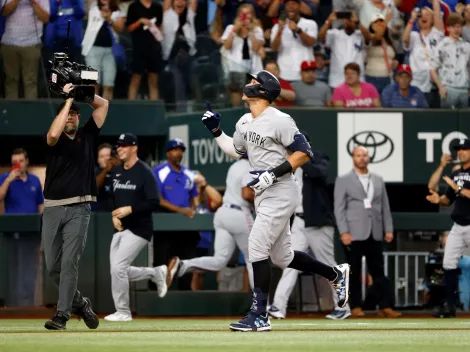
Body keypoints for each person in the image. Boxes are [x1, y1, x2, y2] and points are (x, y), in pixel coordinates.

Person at [172, 70, 350, 332]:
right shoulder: (245, 120)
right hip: (264, 193)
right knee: (282, 257)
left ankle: (259, 315)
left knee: (256, 246)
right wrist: (217, 132)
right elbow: (236, 150)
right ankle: (335, 274)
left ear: (263, 91)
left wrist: (272, 173)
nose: (248, 84)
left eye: (254, 82)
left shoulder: (280, 119)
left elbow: (304, 153)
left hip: (281, 190)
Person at [41, 83, 108, 330]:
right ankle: (81, 303)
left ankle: (62, 315)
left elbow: (103, 106)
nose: (71, 117)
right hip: (52, 208)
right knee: (52, 267)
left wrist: (81, 94)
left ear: (79, 117)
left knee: (69, 263)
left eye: (75, 114)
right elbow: (52, 136)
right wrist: (68, 101)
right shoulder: (55, 137)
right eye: (67, 113)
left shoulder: (87, 135)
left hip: (80, 208)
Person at [269, 144, 351, 320]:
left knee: (328, 264)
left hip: (318, 221)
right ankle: (278, 306)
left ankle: (343, 307)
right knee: (290, 262)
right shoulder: (287, 164)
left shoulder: (318, 157)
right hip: (298, 221)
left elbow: (318, 173)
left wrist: (301, 158)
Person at [105, 133, 168, 322]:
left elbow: (154, 202)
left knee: (118, 269)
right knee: (117, 271)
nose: (120, 149)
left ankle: (123, 312)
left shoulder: (144, 172)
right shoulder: (116, 171)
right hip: (120, 228)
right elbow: (112, 198)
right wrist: (113, 215)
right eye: (119, 146)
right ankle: (155, 273)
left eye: (124, 146)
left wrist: (130, 209)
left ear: (134, 148)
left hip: (140, 229)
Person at [170, 153, 255, 290]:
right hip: (240, 213)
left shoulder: (234, 166)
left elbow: (218, 201)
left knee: (219, 261)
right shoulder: (250, 166)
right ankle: (263, 306)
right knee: (255, 260)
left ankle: (182, 265)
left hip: (223, 214)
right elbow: (246, 194)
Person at [334, 146, 401, 318]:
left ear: (368, 157)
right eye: (359, 155)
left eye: (365, 155)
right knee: (353, 271)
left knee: (378, 271)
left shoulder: (378, 179)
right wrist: (343, 232)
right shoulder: (344, 179)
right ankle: (355, 306)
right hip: (353, 233)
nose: (362, 158)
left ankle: (385, 305)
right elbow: (339, 209)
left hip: (375, 231)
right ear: (353, 158)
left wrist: (389, 228)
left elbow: (385, 206)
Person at [426, 138, 470, 318]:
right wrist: (441, 166)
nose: (460, 152)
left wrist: (457, 188)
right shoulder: (456, 174)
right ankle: (450, 306)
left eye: (464, 149)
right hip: (458, 225)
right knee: (448, 264)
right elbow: (433, 188)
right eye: (458, 149)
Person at [152, 139, 200, 290]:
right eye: (174, 149)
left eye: (181, 150)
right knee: (161, 261)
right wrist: (182, 211)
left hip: (185, 225)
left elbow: (195, 196)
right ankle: (158, 296)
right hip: (165, 222)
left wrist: (193, 208)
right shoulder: (159, 171)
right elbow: (159, 200)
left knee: (186, 262)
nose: (178, 152)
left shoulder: (188, 173)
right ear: (167, 153)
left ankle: (185, 296)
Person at [0, 148, 44, 307]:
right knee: (13, 270)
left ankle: (28, 304)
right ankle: (13, 305)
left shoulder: (35, 180)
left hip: (32, 233)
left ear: (26, 161)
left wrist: (44, 230)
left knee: (30, 270)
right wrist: (9, 180)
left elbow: (41, 206)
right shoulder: (5, 178)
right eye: (13, 163)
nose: (17, 166)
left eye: (19, 162)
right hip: (11, 233)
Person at [81, 0, 126, 100]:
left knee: (109, 85)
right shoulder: (93, 6)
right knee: (93, 84)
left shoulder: (118, 10)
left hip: (110, 52)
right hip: (92, 50)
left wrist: (109, 19)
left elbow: (120, 29)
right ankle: (94, 112)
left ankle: (105, 112)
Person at [190, 171, 223, 290]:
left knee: (200, 274)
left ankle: (197, 300)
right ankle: (193, 301)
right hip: (191, 243)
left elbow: (219, 201)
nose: (196, 185)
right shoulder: (187, 199)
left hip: (205, 243)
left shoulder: (206, 201)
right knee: (195, 273)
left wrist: (204, 184)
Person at [430, 13, 470, 109]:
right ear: (448, 28)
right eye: (453, 26)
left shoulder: (467, 46)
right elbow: (432, 69)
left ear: (461, 28)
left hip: (465, 91)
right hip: (448, 90)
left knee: (465, 123)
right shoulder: (441, 46)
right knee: (448, 122)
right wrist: (440, 87)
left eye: (459, 26)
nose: (456, 29)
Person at [94, 143, 121, 211]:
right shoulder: (94, 171)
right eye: (102, 156)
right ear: (98, 160)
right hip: (101, 213)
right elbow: (94, 187)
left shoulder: (121, 170)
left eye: (108, 155)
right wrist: (106, 170)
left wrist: (120, 167)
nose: (106, 159)